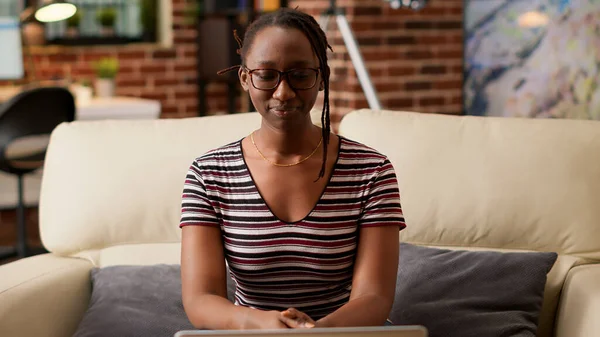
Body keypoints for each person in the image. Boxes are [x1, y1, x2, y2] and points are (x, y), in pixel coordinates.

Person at [180, 7, 405, 330]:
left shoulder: (371, 171)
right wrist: (260, 324)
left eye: (300, 75)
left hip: (344, 334)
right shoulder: (209, 174)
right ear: (245, 78)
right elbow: (201, 299)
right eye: (267, 75)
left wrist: (314, 334)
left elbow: (374, 298)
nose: (283, 93)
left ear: (322, 76)